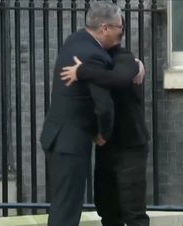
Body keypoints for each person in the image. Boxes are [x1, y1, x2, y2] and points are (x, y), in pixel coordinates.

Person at [39, 2, 124, 226]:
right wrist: (103, 133)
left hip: (56, 136)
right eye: (119, 28)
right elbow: (104, 105)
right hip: (72, 142)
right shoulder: (95, 56)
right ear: (105, 28)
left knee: (62, 203)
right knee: (67, 209)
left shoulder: (74, 41)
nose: (121, 33)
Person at [59, 19, 150, 226]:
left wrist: (82, 72)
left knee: (133, 210)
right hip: (106, 144)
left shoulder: (125, 58)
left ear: (108, 30)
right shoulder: (93, 59)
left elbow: (120, 78)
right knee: (107, 207)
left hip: (130, 144)